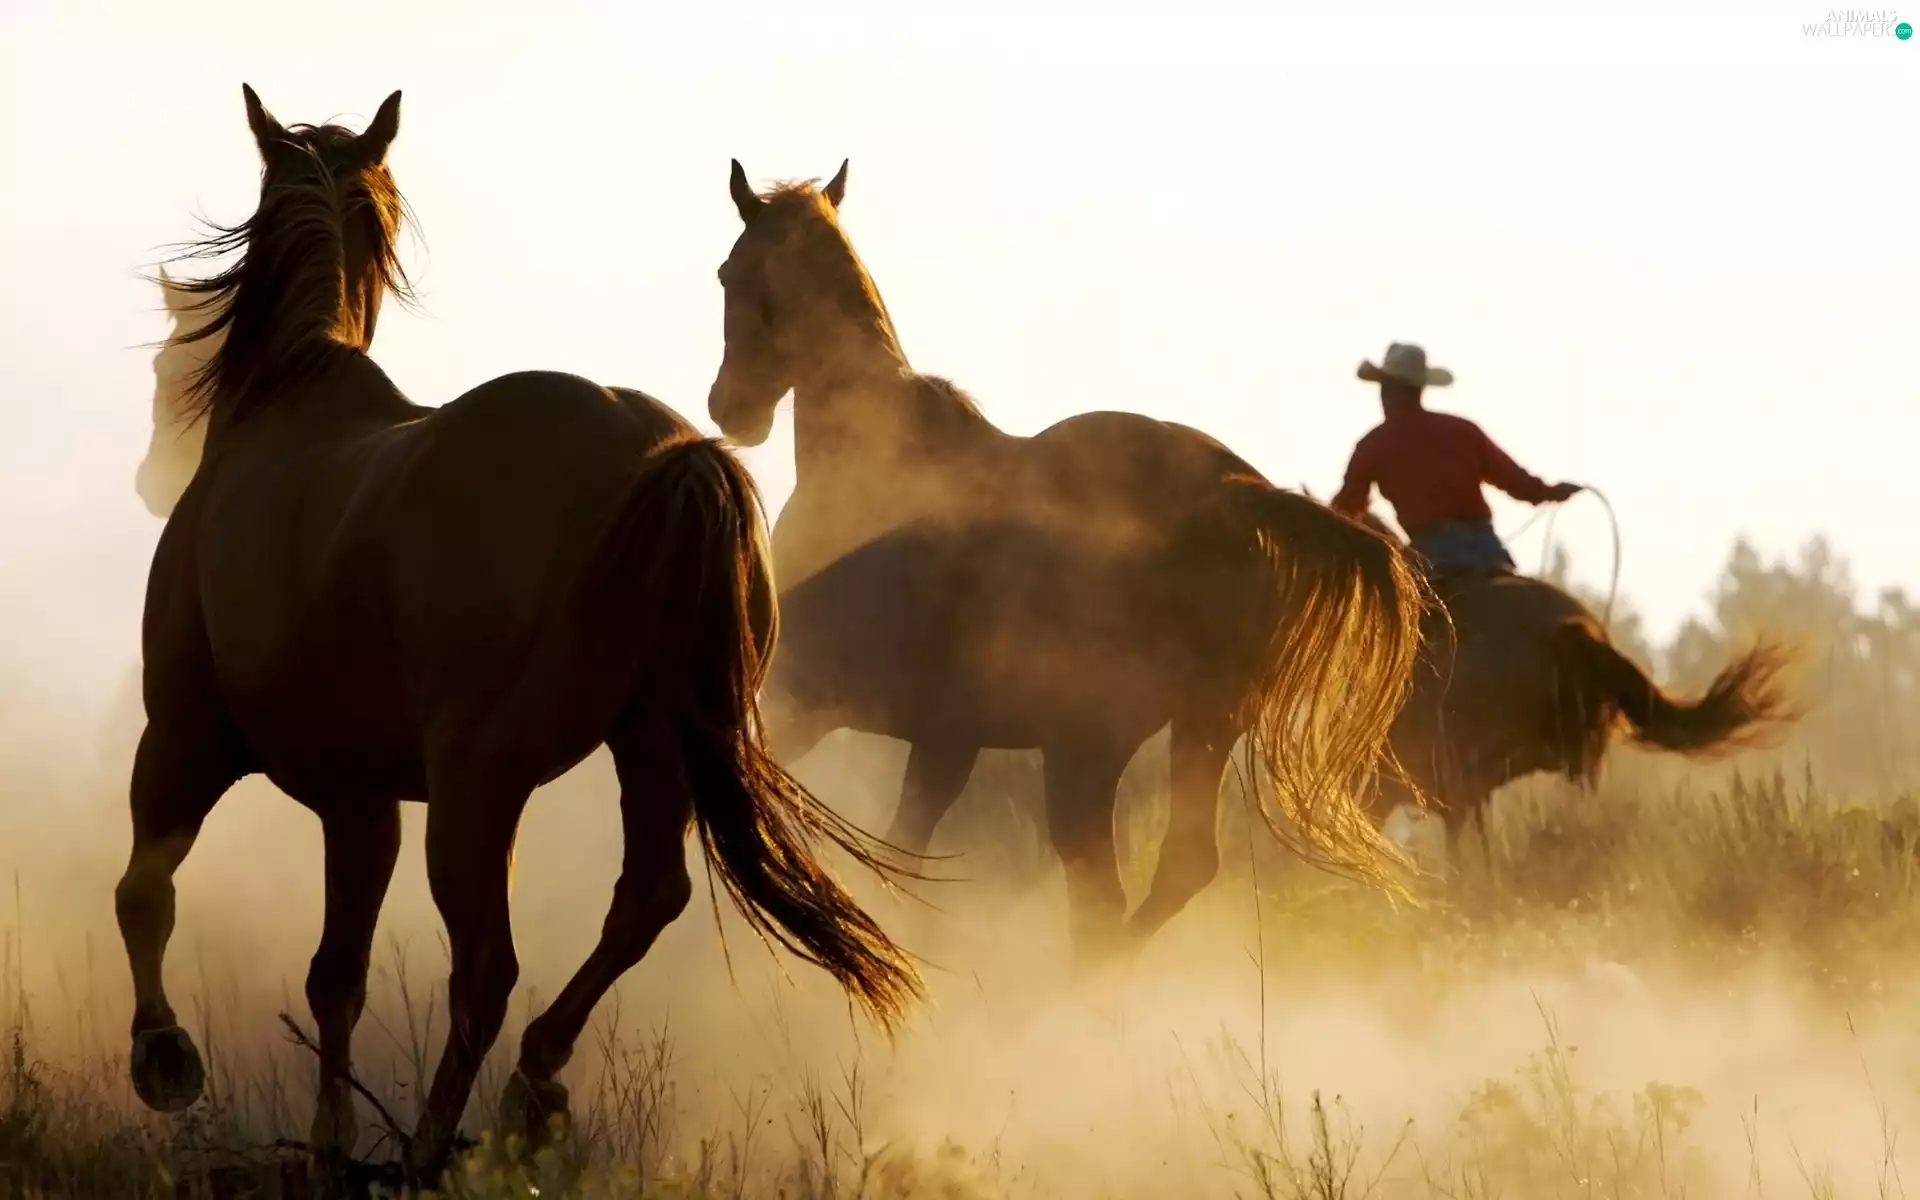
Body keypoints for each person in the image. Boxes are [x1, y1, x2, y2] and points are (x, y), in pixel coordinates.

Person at [1330, 342, 1580, 576]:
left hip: (1431, 554)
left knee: (1406, 619)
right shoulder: (1462, 431)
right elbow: (1517, 482)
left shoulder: (1374, 445)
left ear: (1385, 390)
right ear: (1420, 389)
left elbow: (1348, 509)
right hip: (1487, 547)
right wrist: (1551, 491)